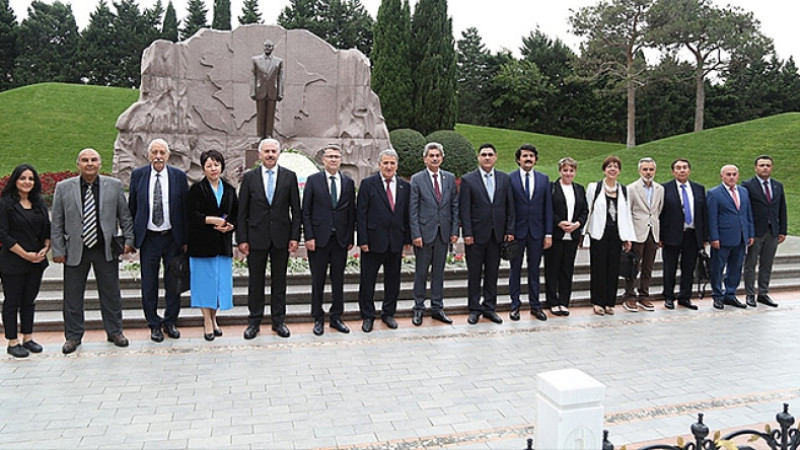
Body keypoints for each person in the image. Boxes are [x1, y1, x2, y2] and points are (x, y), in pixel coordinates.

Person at [51, 148, 135, 354]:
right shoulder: (63, 188)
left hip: (104, 248)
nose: (89, 163)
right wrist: (58, 249)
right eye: (85, 160)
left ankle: (115, 331)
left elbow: (124, 216)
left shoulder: (114, 186)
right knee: (72, 296)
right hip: (74, 250)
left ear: (100, 163)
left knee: (111, 293)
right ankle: (73, 336)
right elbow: (57, 221)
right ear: (78, 164)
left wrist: (129, 240)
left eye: (93, 160)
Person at [237, 138, 300, 339]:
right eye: (267, 151)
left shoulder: (289, 177)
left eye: (273, 151)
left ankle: (278, 321)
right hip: (256, 238)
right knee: (255, 283)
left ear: (279, 154)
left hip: (281, 238)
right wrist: (242, 239)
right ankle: (254, 321)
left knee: (279, 282)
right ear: (260, 154)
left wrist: (295, 237)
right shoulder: (249, 178)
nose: (270, 154)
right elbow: (241, 212)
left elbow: (296, 210)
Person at [128, 139, 188, 343]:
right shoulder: (138, 175)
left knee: (173, 282)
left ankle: (170, 321)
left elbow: (185, 208)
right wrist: (132, 238)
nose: (158, 156)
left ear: (168, 155)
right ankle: (154, 324)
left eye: (162, 152)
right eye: (154, 152)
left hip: (173, 237)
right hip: (149, 238)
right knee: (149, 283)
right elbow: (132, 208)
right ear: (148, 155)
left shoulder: (178, 176)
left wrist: (185, 239)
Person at [302, 145, 356, 336]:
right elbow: (306, 211)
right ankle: (318, 317)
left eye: (336, 157)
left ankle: (336, 317)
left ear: (341, 160)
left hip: (340, 240)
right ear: (323, 160)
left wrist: (350, 238)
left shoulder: (348, 182)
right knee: (318, 280)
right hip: (318, 240)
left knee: (338, 279)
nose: (333, 159)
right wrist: (309, 236)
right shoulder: (313, 180)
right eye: (330, 156)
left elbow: (351, 212)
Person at [459, 143, 514, 325]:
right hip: (475, 236)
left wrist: (509, 230)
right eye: (484, 154)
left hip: (497, 235)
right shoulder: (468, 180)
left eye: (490, 154)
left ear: (496, 157)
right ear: (478, 157)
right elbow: (464, 209)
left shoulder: (504, 179)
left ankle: (490, 307)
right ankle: (474, 308)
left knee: (492, 273)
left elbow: (510, 207)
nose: (487, 157)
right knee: (474, 274)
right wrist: (467, 232)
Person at [356, 149, 410, 333]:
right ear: (379, 165)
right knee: (368, 281)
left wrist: (407, 239)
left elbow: (406, 214)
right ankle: (368, 316)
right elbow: (361, 213)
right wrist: (362, 240)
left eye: (392, 163)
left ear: (397, 165)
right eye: (385, 163)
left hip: (395, 242)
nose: (389, 166)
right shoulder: (368, 184)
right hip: (372, 242)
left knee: (393, 281)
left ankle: (388, 314)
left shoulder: (404, 186)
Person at [0, 164, 50, 358]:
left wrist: (45, 248)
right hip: (13, 261)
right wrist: (25, 254)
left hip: (36, 262)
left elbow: (47, 228)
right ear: (15, 181)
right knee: (12, 301)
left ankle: (28, 337)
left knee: (29, 301)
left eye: (30, 178)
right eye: (22, 178)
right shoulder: (5, 204)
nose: (27, 182)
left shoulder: (38, 202)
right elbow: (4, 234)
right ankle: (12, 341)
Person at [187, 150, 237, 341]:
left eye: (216, 164)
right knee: (204, 285)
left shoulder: (230, 190)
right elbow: (191, 215)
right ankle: (207, 321)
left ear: (221, 166)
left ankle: (214, 318)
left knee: (218, 286)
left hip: (222, 245)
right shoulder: (196, 189)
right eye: (209, 165)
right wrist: (210, 219)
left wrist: (231, 226)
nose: (213, 168)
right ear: (203, 169)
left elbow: (236, 214)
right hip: (201, 246)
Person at [409, 142, 459, 326]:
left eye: (438, 155)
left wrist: (454, 231)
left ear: (442, 158)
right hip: (424, 234)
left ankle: (437, 308)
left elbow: (455, 206)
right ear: (425, 159)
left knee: (439, 273)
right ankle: (419, 308)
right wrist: (415, 234)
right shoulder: (417, 179)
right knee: (421, 273)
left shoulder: (449, 178)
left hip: (443, 234)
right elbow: (413, 209)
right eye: (431, 155)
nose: (435, 158)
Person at [584, 156, 636, 316]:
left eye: (615, 167)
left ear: (619, 171)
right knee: (598, 268)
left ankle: (609, 302)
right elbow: (588, 210)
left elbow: (626, 215)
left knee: (613, 268)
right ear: (604, 169)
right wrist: (583, 234)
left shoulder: (624, 190)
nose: (612, 169)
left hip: (616, 234)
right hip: (598, 233)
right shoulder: (595, 187)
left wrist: (627, 237)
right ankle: (597, 302)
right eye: (609, 166)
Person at [508, 144, 552, 321]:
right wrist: (508, 231)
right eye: (525, 156)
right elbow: (507, 207)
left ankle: (535, 306)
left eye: (531, 156)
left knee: (534, 270)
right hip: (516, 233)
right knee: (515, 270)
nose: (528, 159)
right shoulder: (509, 178)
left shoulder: (543, 179)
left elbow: (547, 208)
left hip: (537, 233)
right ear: (518, 159)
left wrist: (548, 233)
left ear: (535, 159)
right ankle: (515, 305)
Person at [660, 158, 708, 310]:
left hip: (692, 235)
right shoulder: (664, 189)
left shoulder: (698, 189)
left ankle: (685, 297)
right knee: (670, 267)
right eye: (678, 168)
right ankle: (668, 296)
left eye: (685, 167)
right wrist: (660, 236)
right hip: (671, 234)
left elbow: (703, 214)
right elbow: (660, 213)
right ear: (673, 171)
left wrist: (704, 237)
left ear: (689, 170)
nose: (682, 170)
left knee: (689, 268)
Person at [544, 157, 587, 317]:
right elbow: (547, 209)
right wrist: (559, 222)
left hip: (572, 236)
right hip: (556, 235)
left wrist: (577, 224)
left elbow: (585, 211)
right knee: (552, 269)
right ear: (560, 171)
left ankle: (564, 301)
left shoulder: (579, 189)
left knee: (567, 270)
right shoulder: (552, 188)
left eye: (571, 170)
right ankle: (552, 302)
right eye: (565, 170)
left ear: (575, 172)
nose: (568, 173)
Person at [707, 164, 754, 310]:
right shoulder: (714, 193)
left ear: (738, 176)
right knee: (718, 268)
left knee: (736, 267)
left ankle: (730, 294)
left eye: (734, 174)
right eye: (728, 174)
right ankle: (717, 295)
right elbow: (712, 218)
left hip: (741, 236)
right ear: (722, 176)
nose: (732, 177)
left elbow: (747, 214)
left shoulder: (743, 191)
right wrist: (714, 237)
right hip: (722, 237)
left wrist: (750, 233)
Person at [621, 157, 664, 312]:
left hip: (653, 232)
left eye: (651, 169)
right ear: (639, 171)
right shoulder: (631, 188)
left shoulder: (660, 189)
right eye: (645, 169)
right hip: (637, 232)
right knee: (633, 265)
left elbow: (658, 210)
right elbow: (627, 212)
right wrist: (627, 236)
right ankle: (629, 295)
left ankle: (644, 295)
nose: (648, 172)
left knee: (648, 266)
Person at [742, 155, 786, 307]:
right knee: (750, 264)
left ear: (772, 167)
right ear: (756, 168)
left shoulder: (777, 186)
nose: (765, 168)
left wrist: (782, 230)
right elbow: (745, 210)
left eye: (768, 165)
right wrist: (747, 231)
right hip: (755, 231)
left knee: (767, 264)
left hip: (772, 231)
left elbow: (782, 209)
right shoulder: (747, 185)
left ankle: (763, 293)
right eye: (762, 165)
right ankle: (749, 294)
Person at [251, 40, 284, 139]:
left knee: (270, 115)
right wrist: (252, 91)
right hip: (260, 90)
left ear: (273, 48)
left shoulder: (278, 61)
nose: (267, 48)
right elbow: (253, 76)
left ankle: (269, 134)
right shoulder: (256, 60)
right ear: (263, 47)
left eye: (269, 46)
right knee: (260, 114)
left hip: (272, 91)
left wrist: (280, 93)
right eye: (266, 46)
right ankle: (260, 135)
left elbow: (280, 78)